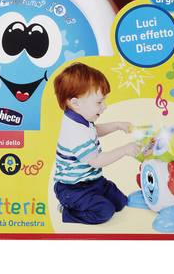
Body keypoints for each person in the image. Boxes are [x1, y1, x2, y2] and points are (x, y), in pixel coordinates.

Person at [53, 62, 139, 224]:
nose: (104, 107)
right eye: (99, 102)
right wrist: (124, 150)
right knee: (104, 211)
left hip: (92, 181)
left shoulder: (81, 119)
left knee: (119, 201)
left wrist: (117, 125)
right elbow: (96, 161)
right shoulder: (75, 131)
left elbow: (94, 130)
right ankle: (67, 212)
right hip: (73, 189)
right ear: (75, 103)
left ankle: (95, 197)